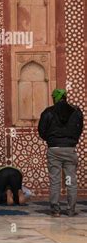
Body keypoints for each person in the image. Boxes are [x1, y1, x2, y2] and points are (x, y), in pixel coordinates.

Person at [38, 89, 83, 217]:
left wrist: (51, 140)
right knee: (70, 180)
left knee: (55, 180)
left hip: (54, 150)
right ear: (65, 97)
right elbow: (79, 128)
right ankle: (71, 210)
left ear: (55, 98)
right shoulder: (76, 111)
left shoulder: (48, 112)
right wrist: (71, 141)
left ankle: (55, 210)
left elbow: (41, 131)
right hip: (70, 150)